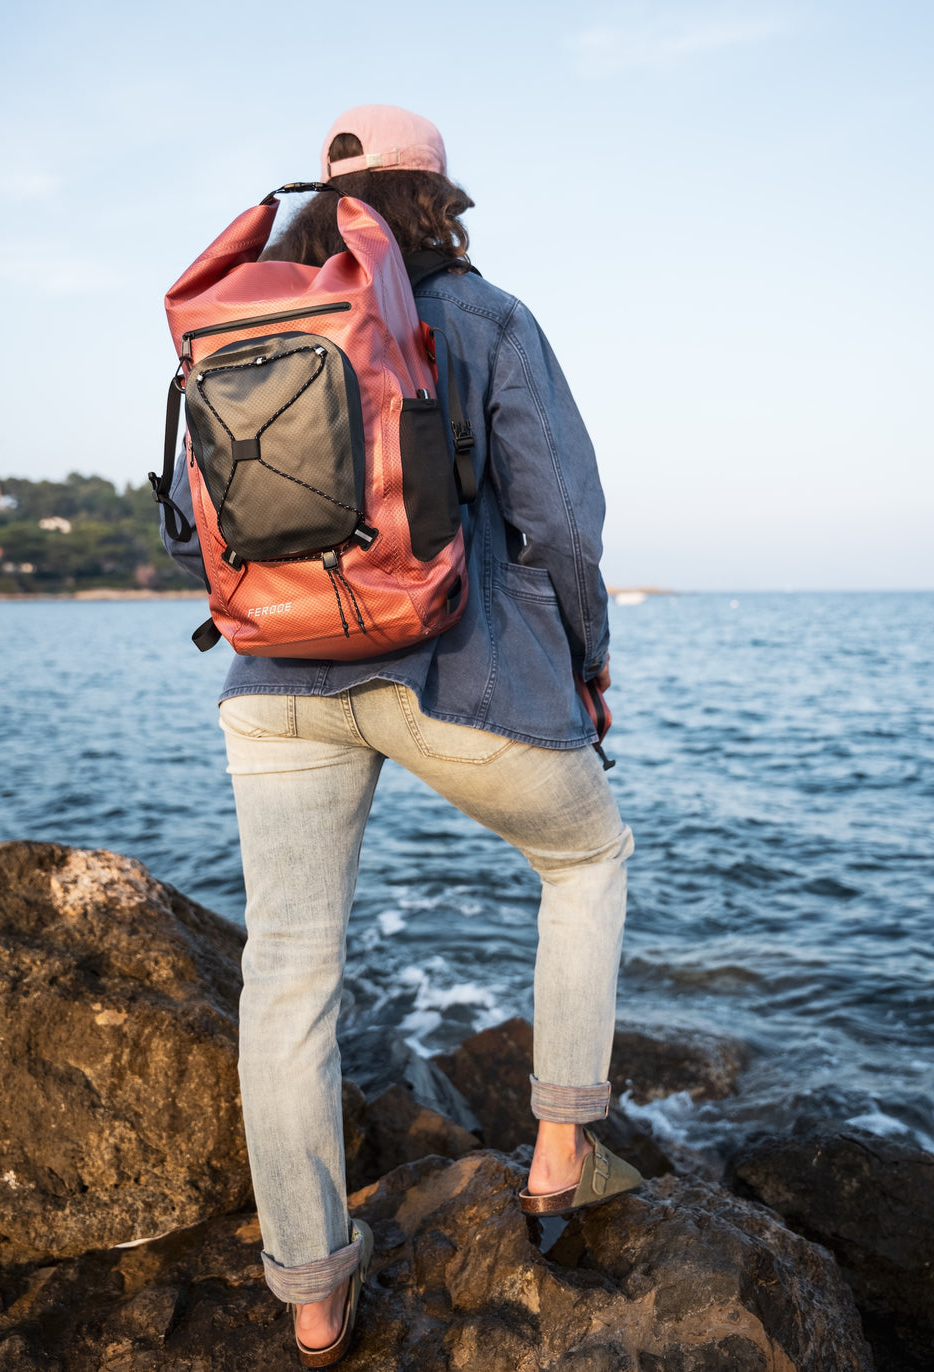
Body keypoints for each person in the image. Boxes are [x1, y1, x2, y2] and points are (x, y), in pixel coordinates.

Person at [161, 104, 638, 1366]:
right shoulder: (487, 318)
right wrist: (586, 671)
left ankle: (313, 1294)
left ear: (321, 203)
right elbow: (565, 529)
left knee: (290, 974)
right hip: (455, 669)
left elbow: (193, 516)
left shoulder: (251, 323)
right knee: (586, 861)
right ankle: (557, 1155)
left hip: (274, 677)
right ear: (444, 201)